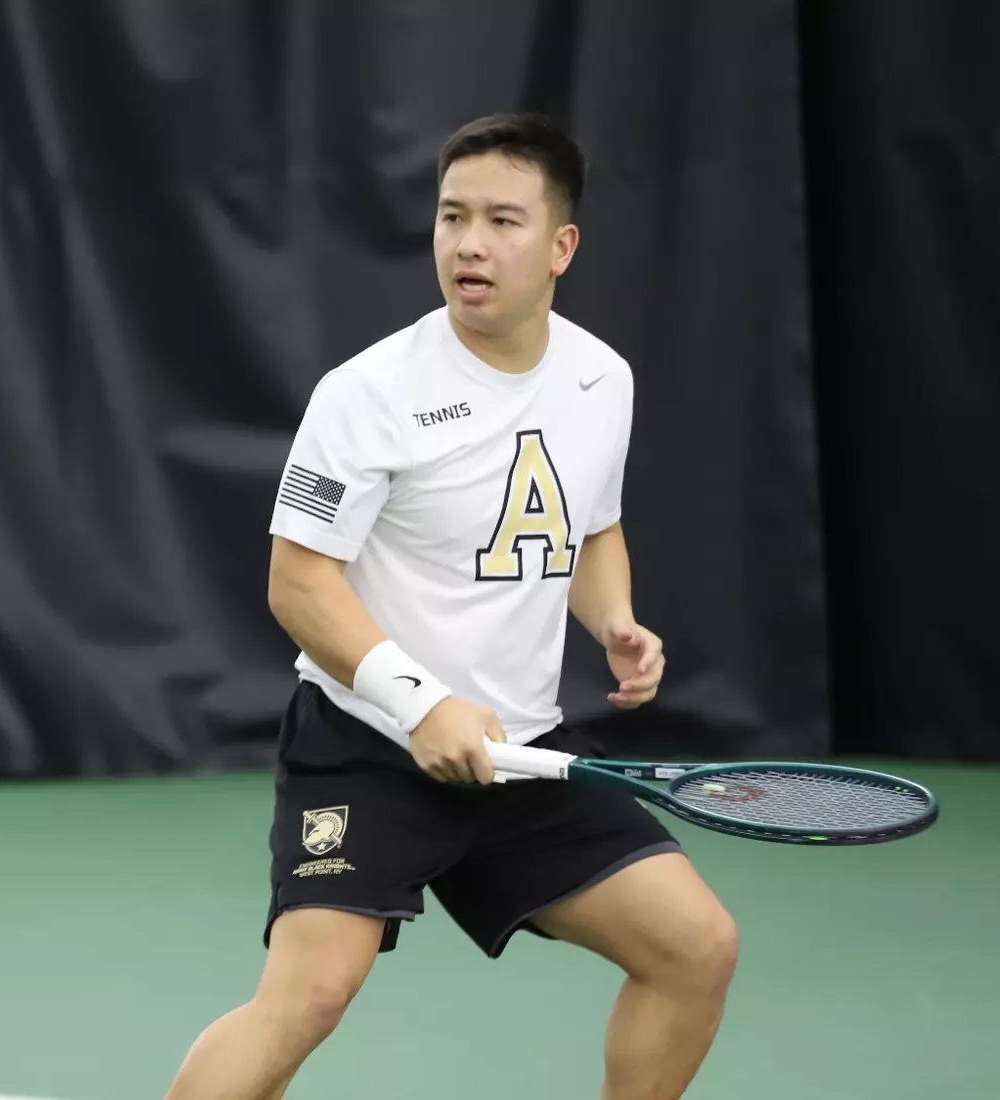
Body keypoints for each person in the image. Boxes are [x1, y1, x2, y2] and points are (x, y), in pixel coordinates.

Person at [163, 112, 739, 1100]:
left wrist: (614, 619)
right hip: (368, 744)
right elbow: (296, 581)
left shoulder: (603, 377)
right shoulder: (369, 392)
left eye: (503, 220)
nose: (469, 243)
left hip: (522, 752)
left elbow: (587, 525)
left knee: (696, 945)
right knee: (308, 994)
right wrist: (419, 701)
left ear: (562, 246)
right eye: (452, 216)